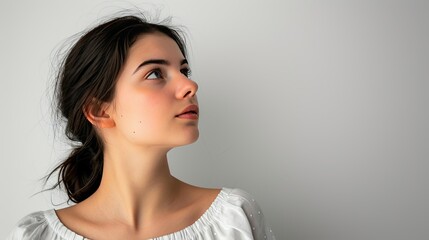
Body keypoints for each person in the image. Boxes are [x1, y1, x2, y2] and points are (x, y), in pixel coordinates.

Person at [8, 14, 275, 240]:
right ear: (99, 110)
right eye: (155, 73)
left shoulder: (234, 219)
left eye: (184, 71)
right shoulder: (35, 235)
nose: (190, 86)